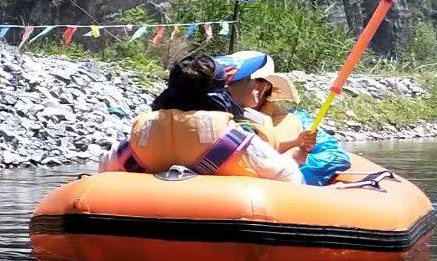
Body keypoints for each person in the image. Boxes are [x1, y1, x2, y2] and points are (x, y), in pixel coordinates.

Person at [98, 52, 302, 182]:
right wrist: (291, 158)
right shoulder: (234, 139)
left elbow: (104, 169)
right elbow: (290, 177)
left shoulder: (143, 134)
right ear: (221, 94)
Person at [217, 51, 352, 185]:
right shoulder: (218, 117)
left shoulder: (299, 119)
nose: (257, 87)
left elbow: (337, 157)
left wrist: (295, 162)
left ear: (267, 87)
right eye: (251, 81)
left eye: (259, 82)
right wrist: (288, 158)